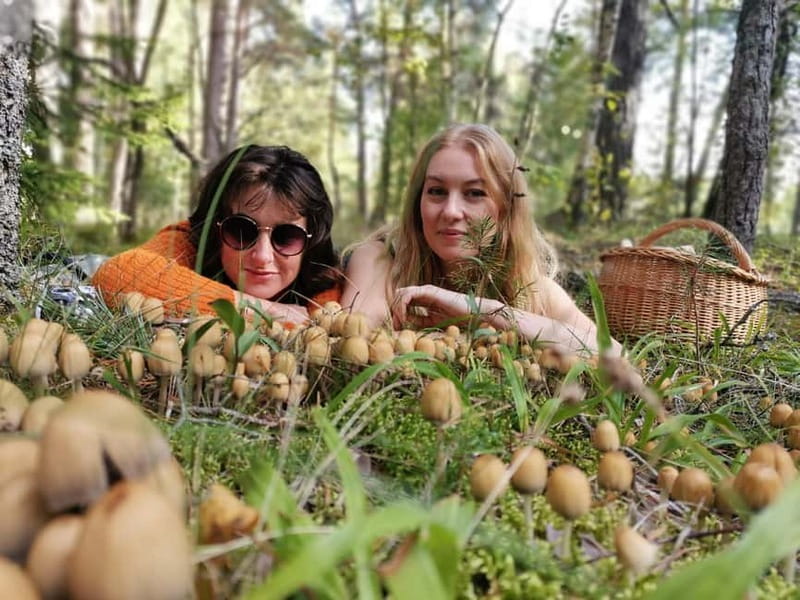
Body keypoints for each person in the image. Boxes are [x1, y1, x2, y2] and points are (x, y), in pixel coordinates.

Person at [341, 124, 619, 355]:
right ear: (418, 202)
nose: (450, 211)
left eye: (474, 193)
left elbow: (614, 355)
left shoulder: (534, 290)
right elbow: (356, 332)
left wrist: (484, 310)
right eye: (436, 191)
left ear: (506, 209)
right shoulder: (380, 261)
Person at [93, 144, 341, 324]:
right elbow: (118, 274)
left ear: (312, 239)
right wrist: (267, 310)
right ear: (215, 226)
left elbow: (325, 327)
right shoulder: (189, 239)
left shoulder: (325, 279)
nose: (262, 256)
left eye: (287, 236)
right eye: (242, 230)